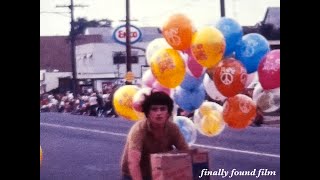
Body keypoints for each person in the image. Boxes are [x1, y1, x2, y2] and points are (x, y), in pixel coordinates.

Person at [120, 91, 189, 180]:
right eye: (154, 109)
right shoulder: (139, 130)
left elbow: (185, 151)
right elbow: (133, 162)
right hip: (133, 173)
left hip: (157, 170)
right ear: (147, 113)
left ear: (168, 113)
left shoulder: (173, 128)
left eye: (163, 109)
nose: (159, 113)